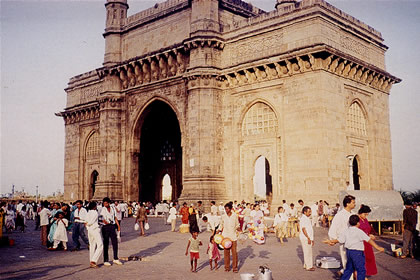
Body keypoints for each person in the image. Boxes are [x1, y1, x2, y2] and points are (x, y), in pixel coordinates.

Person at [327, 215, 384, 280]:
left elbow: (340, 240)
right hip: (357, 253)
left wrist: (331, 241)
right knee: (361, 270)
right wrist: (378, 247)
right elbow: (369, 240)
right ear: (357, 223)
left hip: (349, 252)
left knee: (349, 269)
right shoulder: (359, 232)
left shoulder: (346, 231)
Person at [328, 194, 356, 276]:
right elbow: (333, 228)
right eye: (353, 202)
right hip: (344, 241)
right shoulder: (339, 215)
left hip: (354, 241)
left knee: (354, 261)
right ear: (347, 204)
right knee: (346, 260)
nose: (355, 204)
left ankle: (345, 273)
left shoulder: (353, 214)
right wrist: (333, 239)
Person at [218, 202, 240, 273]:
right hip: (225, 237)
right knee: (226, 253)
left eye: (227, 209)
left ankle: (235, 267)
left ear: (231, 209)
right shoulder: (223, 216)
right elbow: (221, 225)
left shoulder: (235, 216)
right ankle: (227, 267)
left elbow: (237, 224)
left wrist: (239, 229)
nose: (226, 210)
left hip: (233, 236)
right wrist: (217, 232)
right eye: (225, 209)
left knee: (234, 253)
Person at [101, 197, 123, 266]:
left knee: (115, 242)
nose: (105, 204)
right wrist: (105, 221)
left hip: (112, 226)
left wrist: (118, 226)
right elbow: (101, 218)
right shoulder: (103, 209)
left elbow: (115, 217)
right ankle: (105, 260)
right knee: (106, 243)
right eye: (104, 203)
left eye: (106, 203)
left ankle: (115, 258)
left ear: (109, 203)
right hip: (105, 227)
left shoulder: (113, 208)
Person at [358, 205, 377, 276]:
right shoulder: (357, 220)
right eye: (365, 214)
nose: (366, 216)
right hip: (361, 242)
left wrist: (371, 235)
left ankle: (366, 273)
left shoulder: (365, 220)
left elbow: (368, 229)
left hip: (368, 242)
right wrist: (368, 236)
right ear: (360, 212)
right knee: (362, 259)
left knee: (369, 258)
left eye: (367, 214)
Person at [85, 201, 103, 268]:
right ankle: (94, 260)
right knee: (100, 245)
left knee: (92, 245)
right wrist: (89, 224)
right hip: (95, 229)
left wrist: (87, 226)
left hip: (89, 230)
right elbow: (91, 221)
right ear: (95, 206)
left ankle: (91, 261)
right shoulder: (95, 212)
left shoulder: (88, 212)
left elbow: (86, 221)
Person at [299, 206, 315, 271]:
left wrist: (312, 239)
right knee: (307, 252)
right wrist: (308, 238)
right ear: (305, 212)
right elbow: (303, 229)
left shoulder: (306, 218)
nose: (310, 213)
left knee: (309, 251)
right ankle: (309, 266)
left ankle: (306, 265)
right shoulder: (303, 219)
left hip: (309, 237)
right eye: (309, 212)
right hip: (305, 238)